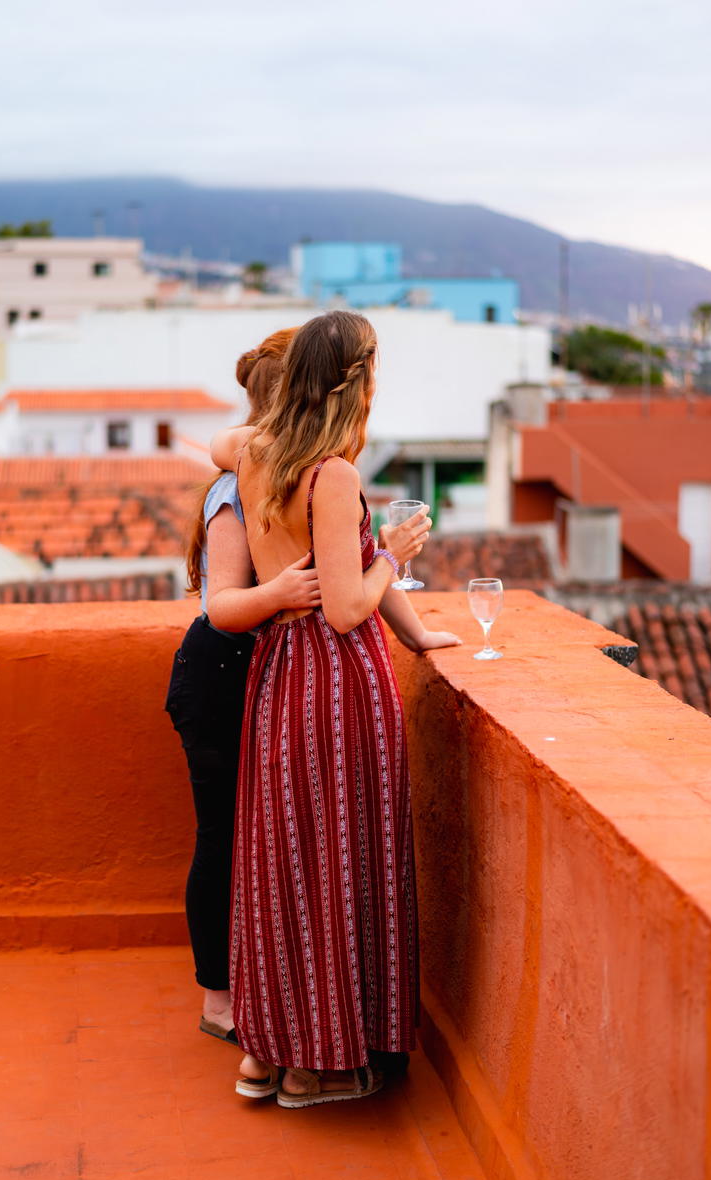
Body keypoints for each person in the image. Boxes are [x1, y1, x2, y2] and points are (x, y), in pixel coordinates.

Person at [210, 311, 461, 1107]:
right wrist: (393, 553)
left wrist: (419, 637)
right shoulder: (334, 475)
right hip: (335, 675)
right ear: (357, 380)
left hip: (279, 670)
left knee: (284, 858)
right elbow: (349, 607)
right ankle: (317, 1064)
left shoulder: (253, 453)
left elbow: (221, 442)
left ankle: (266, 1054)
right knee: (339, 858)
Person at [164, 327, 318, 1045]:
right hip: (219, 673)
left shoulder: (284, 477)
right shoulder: (235, 488)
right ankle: (218, 1001)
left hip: (251, 675)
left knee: (252, 834)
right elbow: (221, 603)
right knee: (223, 836)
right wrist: (285, 590)